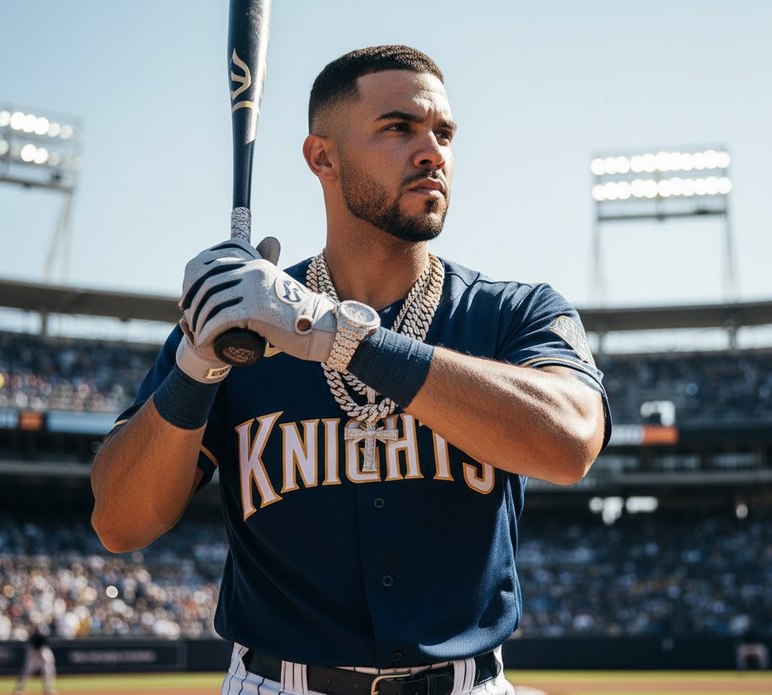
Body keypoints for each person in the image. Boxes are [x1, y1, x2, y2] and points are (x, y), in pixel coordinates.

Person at [91, 45, 610, 695]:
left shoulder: (515, 312)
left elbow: (570, 441)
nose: (433, 152)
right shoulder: (237, 326)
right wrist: (196, 363)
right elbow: (119, 518)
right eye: (399, 128)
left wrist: (333, 334)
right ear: (323, 157)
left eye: (443, 132)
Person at [13, 623, 57, 695]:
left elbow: (45, 641)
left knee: (48, 671)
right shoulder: (32, 635)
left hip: (42, 651)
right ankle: (19, 689)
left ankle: (48, 690)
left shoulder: (44, 632)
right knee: (27, 671)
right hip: (33, 652)